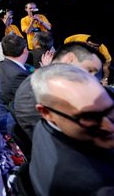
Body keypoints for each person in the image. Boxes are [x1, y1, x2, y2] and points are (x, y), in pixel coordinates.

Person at [29, 64, 114, 195]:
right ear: (46, 113)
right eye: (89, 117)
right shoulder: (97, 186)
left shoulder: (45, 125)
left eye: (110, 110)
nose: (110, 127)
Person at [13, 42, 104, 139]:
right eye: (89, 70)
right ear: (70, 59)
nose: (92, 79)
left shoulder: (49, 82)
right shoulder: (35, 91)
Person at [0, 34, 31, 106]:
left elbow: (28, 67)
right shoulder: (18, 75)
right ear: (25, 50)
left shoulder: (4, 63)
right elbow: (30, 99)